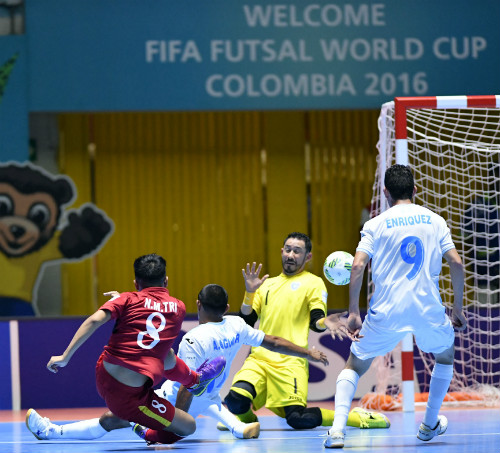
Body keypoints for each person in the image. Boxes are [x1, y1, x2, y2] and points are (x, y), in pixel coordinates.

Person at [25, 283, 330, 442]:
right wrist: (307, 352)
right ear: (225, 306)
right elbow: (273, 341)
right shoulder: (237, 325)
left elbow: (185, 388)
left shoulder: (194, 338)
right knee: (207, 397)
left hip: (179, 398)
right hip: (210, 397)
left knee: (114, 417)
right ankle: (237, 427)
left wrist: (170, 425)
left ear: (198, 305)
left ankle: (53, 433)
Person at [323, 164, 467, 448]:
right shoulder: (435, 220)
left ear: (385, 193)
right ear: (415, 190)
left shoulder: (374, 224)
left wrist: (354, 312)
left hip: (386, 312)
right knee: (445, 356)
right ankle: (428, 425)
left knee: (354, 365)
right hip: (428, 310)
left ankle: (338, 431)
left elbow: (357, 265)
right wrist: (458, 310)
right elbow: (457, 263)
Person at [26, 253, 226, 445]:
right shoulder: (179, 307)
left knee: (164, 355)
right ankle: (188, 387)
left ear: (136, 283)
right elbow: (151, 315)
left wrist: (65, 356)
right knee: (188, 426)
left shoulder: (127, 299)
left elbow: (96, 319)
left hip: (106, 374)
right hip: (128, 395)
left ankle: (193, 381)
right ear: (166, 281)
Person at [224, 232, 390, 431]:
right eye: (288, 250)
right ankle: (247, 421)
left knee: (298, 419)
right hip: (259, 360)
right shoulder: (266, 285)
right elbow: (246, 321)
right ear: (282, 251)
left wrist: (325, 322)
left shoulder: (313, 283)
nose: (291, 255)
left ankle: (353, 417)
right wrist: (250, 293)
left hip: (291, 363)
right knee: (235, 401)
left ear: (307, 257)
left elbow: (315, 320)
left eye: (297, 251)